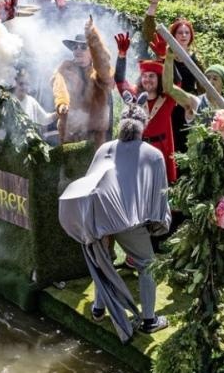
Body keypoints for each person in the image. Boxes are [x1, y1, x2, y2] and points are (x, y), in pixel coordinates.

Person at [58, 105, 171, 341]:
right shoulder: (153, 155)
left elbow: (90, 184)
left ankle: (98, 309)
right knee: (147, 265)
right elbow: (159, 197)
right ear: (144, 125)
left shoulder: (105, 149)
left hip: (99, 219)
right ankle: (149, 320)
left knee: (104, 261)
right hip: (128, 221)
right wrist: (157, 225)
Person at [52, 17, 116, 145]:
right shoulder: (65, 68)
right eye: (75, 47)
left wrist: (93, 37)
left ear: (91, 52)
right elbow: (58, 85)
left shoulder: (97, 72)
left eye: (83, 47)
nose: (78, 50)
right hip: (71, 132)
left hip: (96, 134)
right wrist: (62, 103)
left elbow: (105, 71)